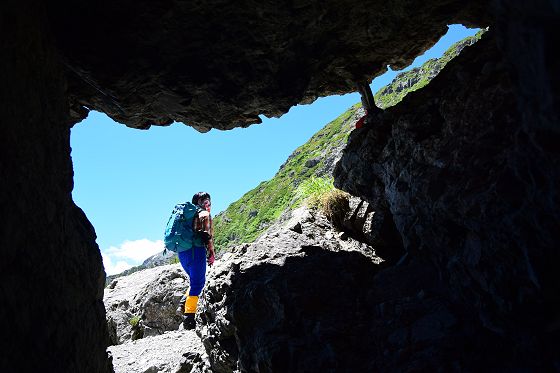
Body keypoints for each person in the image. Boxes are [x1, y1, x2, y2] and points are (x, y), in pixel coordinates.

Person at [177, 191, 215, 329]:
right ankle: (189, 318)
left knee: (195, 281)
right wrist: (211, 254)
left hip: (182, 252)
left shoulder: (187, 216)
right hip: (195, 251)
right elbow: (208, 237)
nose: (208, 204)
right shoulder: (204, 215)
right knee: (198, 283)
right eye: (206, 201)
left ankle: (183, 303)